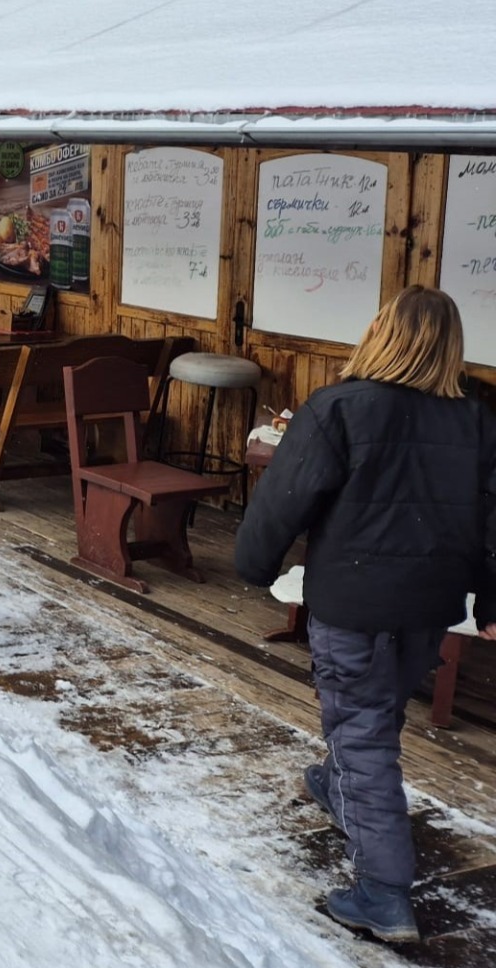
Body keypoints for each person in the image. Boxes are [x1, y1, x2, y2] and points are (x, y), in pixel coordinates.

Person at [236, 286, 496, 944]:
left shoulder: (339, 408)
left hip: (355, 602)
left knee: (363, 733)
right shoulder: (477, 421)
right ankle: (335, 782)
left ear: (381, 333)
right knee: (369, 712)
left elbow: (282, 502)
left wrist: (254, 564)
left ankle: (383, 893)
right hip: (429, 604)